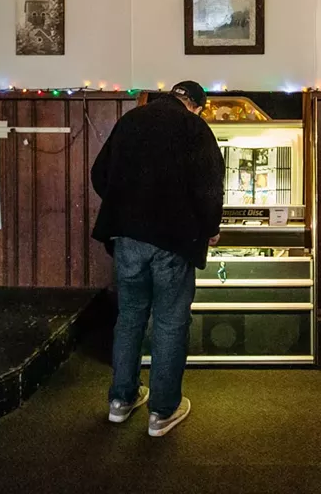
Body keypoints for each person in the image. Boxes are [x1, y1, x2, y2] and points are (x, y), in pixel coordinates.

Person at [91, 81, 223, 437]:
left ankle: (121, 401)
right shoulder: (195, 128)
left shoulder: (131, 120)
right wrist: (210, 227)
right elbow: (210, 186)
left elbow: (99, 175)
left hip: (126, 238)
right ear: (196, 105)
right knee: (169, 322)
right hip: (173, 239)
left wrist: (127, 203)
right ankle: (162, 412)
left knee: (130, 316)